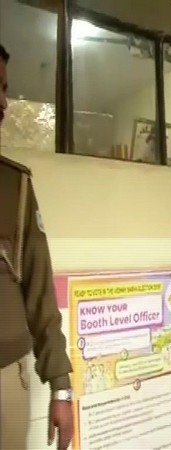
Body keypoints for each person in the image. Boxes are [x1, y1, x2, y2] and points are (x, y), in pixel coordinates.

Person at [0, 43, 73, 450]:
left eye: (5, 88)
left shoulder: (17, 188)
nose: (3, 103)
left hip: (7, 383)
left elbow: (41, 297)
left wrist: (61, 389)